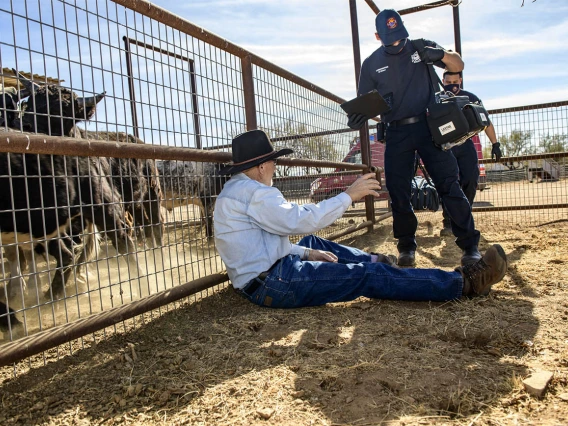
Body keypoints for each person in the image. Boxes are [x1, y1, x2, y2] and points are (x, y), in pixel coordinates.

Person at [213, 129, 508, 309]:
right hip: (277, 282)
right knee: (364, 277)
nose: (275, 169)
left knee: (312, 242)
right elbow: (300, 221)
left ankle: (380, 265)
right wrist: (348, 196)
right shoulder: (255, 193)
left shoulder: (237, 191)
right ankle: (462, 283)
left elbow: (264, 242)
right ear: (263, 166)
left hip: (265, 276)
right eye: (274, 163)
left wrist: (308, 252)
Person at [347, 9, 481, 267]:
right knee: (398, 191)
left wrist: (439, 54)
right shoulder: (371, 64)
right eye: (390, 39)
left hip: (429, 127)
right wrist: (360, 116)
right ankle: (406, 247)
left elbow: (458, 65)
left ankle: (469, 246)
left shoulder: (421, 47)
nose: (397, 43)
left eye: (400, 36)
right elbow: (366, 102)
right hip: (396, 132)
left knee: (449, 184)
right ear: (378, 36)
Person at [439, 70, 502, 236]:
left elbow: (485, 121)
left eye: (455, 81)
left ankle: (464, 217)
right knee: (449, 183)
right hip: (445, 147)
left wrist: (495, 144)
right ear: (443, 81)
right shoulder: (436, 98)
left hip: (466, 144)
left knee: (470, 179)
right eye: (448, 81)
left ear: (460, 80)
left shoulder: (471, 98)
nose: (452, 85)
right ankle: (448, 222)